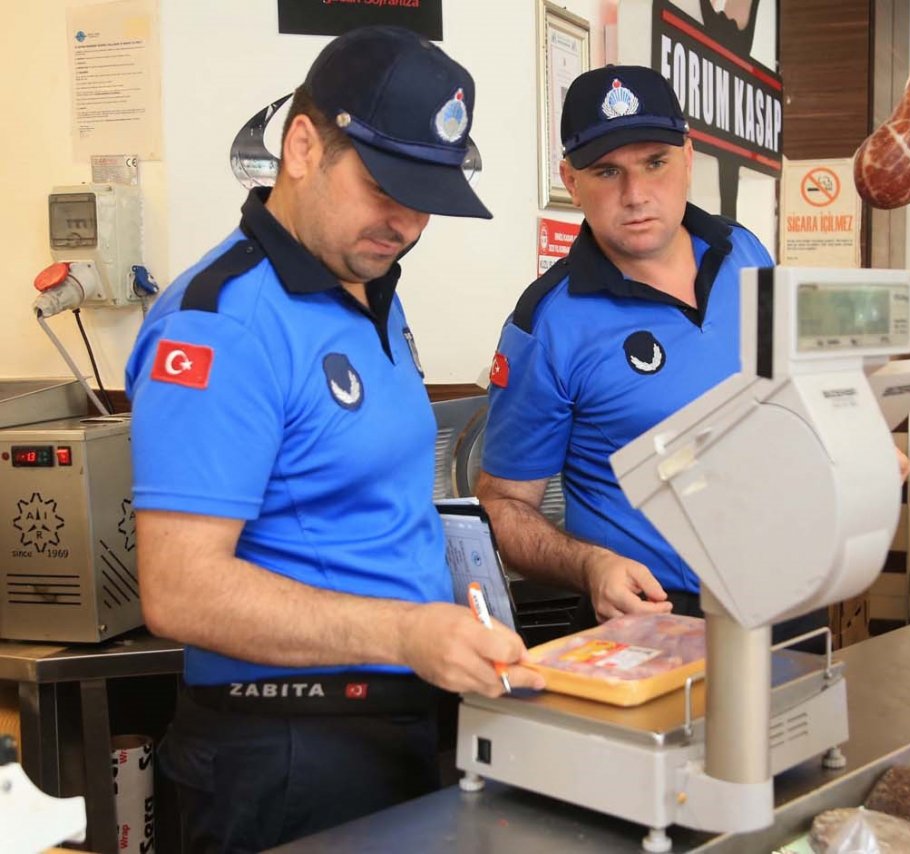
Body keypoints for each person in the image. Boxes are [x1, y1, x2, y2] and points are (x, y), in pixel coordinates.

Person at [124, 26, 542, 853]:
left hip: (397, 722)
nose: (406, 223)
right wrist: (406, 633)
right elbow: (179, 590)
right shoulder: (221, 325)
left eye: (426, 198)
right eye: (385, 187)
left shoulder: (367, 286)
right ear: (304, 146)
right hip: (285, 751)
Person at [477, 65, 910, 639]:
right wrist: (591, 565)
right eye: (607, 171)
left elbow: (789, 404)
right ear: (571, 180)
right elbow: (503, 506)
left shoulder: (744, 251)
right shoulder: (547, 324)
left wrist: (859, 454)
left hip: (788, 592)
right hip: (652, 619)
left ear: (688, 156)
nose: (636, 196)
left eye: (655, 162)